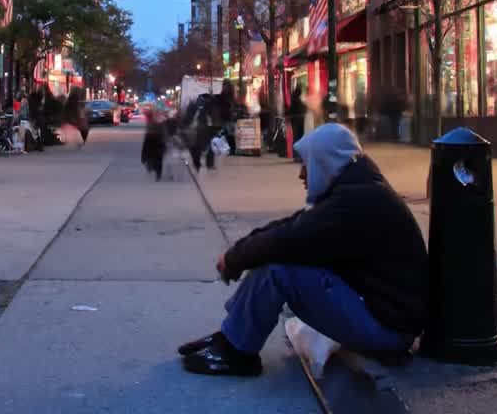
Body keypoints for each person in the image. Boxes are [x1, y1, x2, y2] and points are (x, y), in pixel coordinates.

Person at [178, 124, 428, 377]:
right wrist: (238, 253)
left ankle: (238, 352)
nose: (301, 174)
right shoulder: (356, 190)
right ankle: (232, 337)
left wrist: (234, 260)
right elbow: (292, 227)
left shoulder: (357, 201)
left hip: (388, 332)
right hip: (383, 317)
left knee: (281, 267)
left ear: (326, 163)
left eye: (307, 165)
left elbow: (287, 239)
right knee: (278, 256)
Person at [286, 84, 306, 161]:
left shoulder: (294, 99)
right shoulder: (298, 100)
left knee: (296, 137)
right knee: (299, 137)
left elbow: (290, 110)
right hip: (299, 120)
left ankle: (296, 155)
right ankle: (298, 155)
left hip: (295, 120)